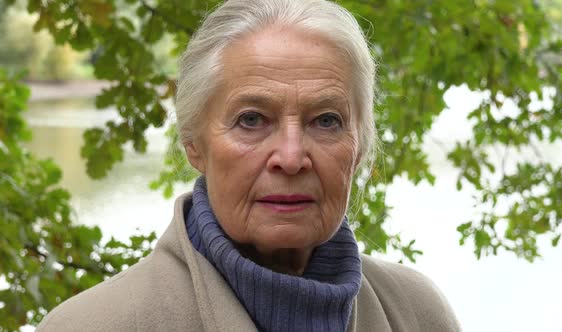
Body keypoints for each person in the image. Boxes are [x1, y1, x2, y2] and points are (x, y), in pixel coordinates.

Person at [37, 0, 461, 331]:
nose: (292, 158)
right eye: (252, 120)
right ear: (194, 144)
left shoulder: (417, 314)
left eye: (327, 120)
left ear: (361, 147)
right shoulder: (92, 326)